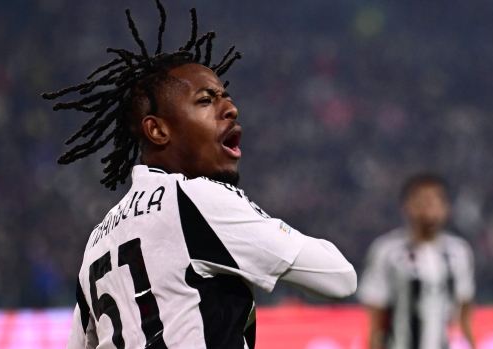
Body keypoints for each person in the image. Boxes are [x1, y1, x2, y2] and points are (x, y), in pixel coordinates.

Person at [42, 2, 356, 348]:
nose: (230, 108)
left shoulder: (97, 241)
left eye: (226, 96)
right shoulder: (198, 200)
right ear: (157, 130)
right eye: (206, 101)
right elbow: (339, 278)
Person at [357, 173, 475, 349]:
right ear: (407, 206)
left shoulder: (459, 252)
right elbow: (376, 318)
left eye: (435, 200)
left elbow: (464, 314)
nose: (428, 207)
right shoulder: (387, 251)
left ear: (446, 207)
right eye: (422, 200)